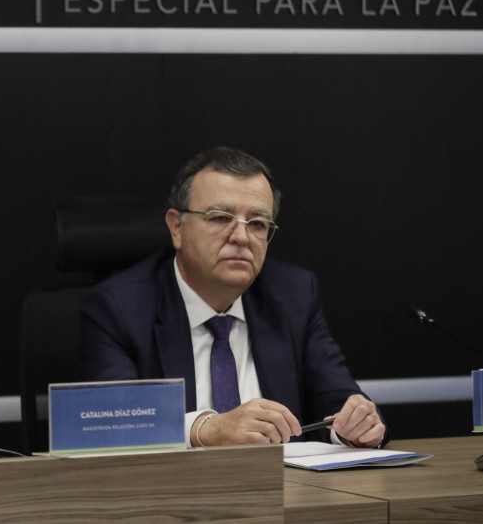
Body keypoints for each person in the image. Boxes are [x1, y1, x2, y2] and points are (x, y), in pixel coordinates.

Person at [79, 147, 386, 449]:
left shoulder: (294, 295)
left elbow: (335, 399)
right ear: (176, 226)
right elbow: (113, 422)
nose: (241, 237)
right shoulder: (117, 308)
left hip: (287, 490)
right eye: (220, 218)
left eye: (257, 224)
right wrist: (206, 430)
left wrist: (354, 427)